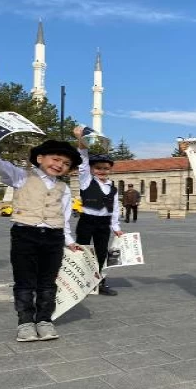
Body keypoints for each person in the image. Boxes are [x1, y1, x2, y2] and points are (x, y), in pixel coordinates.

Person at [0, 140, 81, 342]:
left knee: (48, 282)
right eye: (55, 159)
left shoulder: (63, 188)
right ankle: (25, 323)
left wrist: (69, 241)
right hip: (25, 234)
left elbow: (65, 217)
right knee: (24, 281)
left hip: (54, 237)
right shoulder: (22, 176)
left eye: (66, 163)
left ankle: (44, 320)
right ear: (40, 158)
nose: (59, 165)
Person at [74, 126, 121, 296]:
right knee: (83, 252)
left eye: (106, 168)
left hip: (103, 223)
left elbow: (114, 209)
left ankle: (100, 282)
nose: (102, 171)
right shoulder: (86, 181)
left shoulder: (112, 188)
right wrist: (81, 139)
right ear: (92, 169)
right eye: (98, 168)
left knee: (101, 253)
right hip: (87, 221)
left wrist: (116, 227)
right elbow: (83, 160)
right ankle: (79, 282)